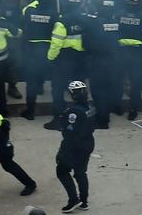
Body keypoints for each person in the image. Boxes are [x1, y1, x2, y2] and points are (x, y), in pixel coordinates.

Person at [46, 0, 88, 130]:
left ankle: (58, 119)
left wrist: (50, 59)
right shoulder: (86, 19)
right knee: (80, 88)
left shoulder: (62, 22)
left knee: (57, 89)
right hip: (81, 58)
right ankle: (83, 116)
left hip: (64, 59)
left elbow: (56, 44)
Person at [55, 81, 95, 213]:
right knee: (80, 173)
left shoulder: (73, 112)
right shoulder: (90, 107)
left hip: (73, 147)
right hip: (88, 143)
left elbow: (69, 131)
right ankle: (84, 201)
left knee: (61, 171)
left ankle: (73, 200)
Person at [19, 0, 58, 120]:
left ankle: (30, 112)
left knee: (31, 83)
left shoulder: (29, 11)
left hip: (31, 49)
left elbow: (22, 25)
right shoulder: (54, 13)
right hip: (47, 48)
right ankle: (56, 112)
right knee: (53, 82)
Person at [84, 0, 120, 129]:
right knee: (108, 89)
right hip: (113, 60)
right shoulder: (116, 21)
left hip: (98, 61)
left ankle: (102, 120)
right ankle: (106, 114)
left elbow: (86, 43)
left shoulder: (93, 22)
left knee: (98, 91)